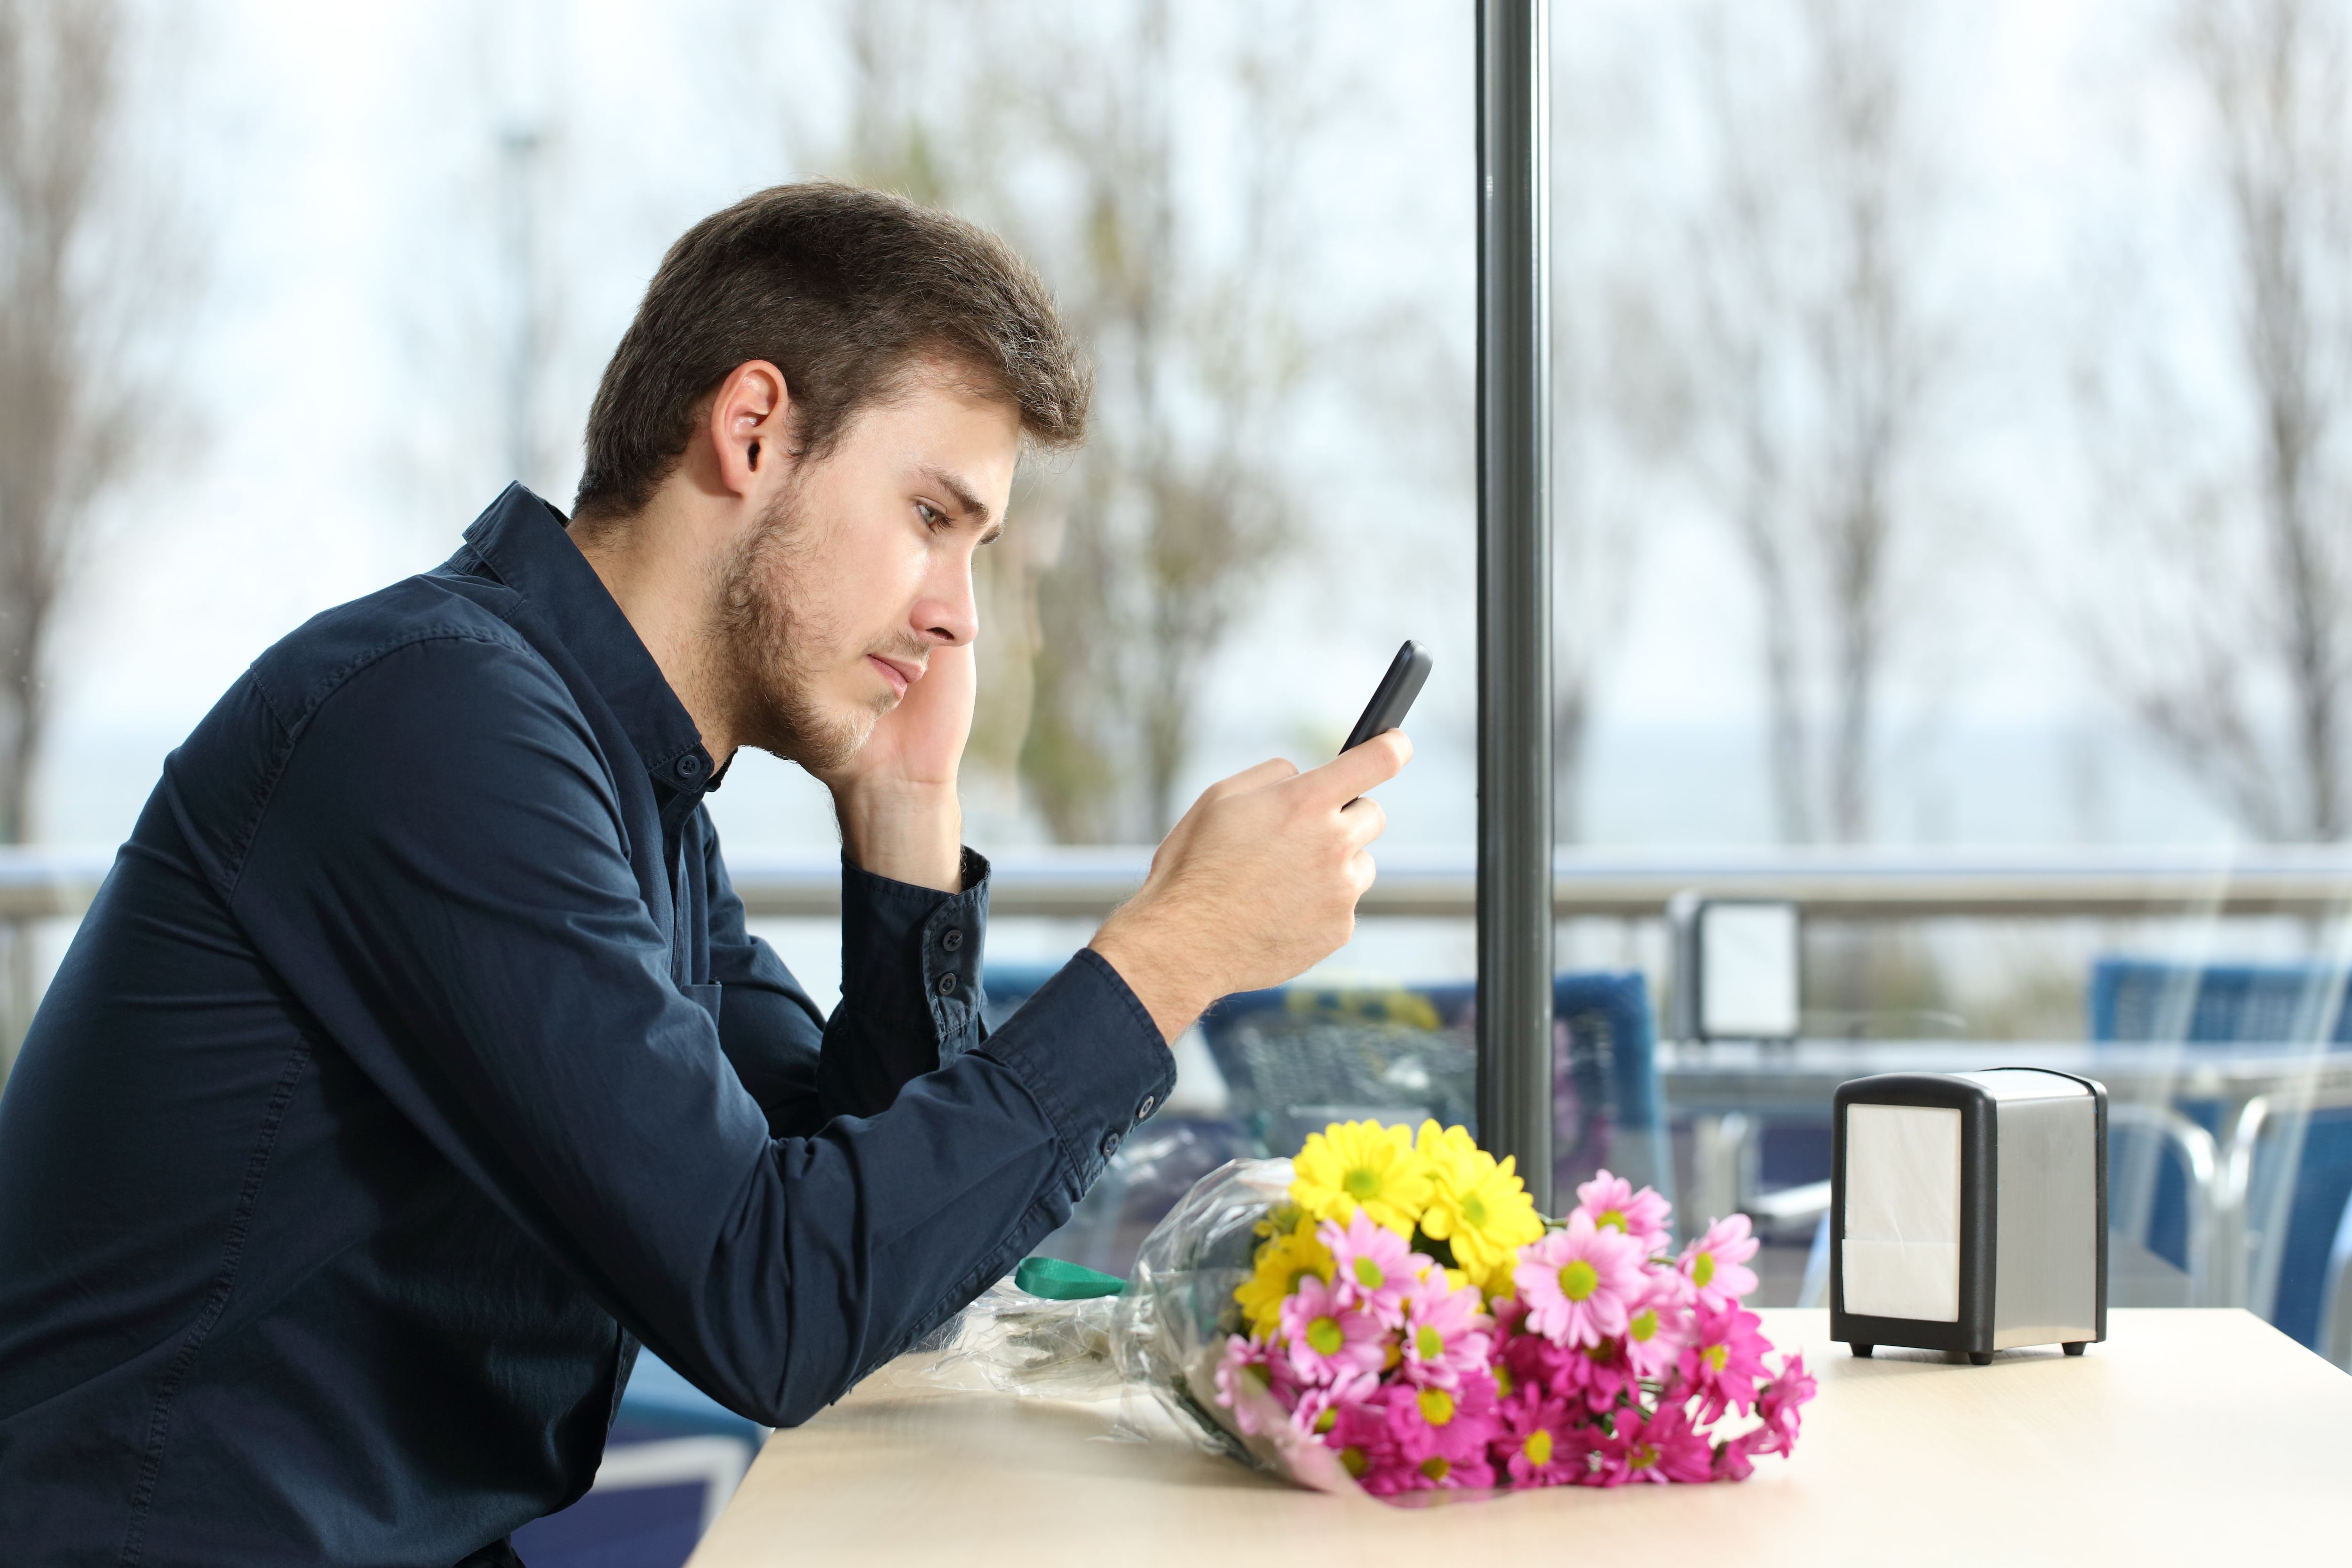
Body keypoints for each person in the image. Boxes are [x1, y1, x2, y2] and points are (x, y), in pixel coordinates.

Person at [0, 183, 1407, 1565]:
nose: (956, 617)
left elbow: (876, 1263)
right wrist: (1178, 952)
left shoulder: (626, 784)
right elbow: (774, 1303)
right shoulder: (436, 725)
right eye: (933, 518)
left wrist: (907, 812)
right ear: (752, 432)